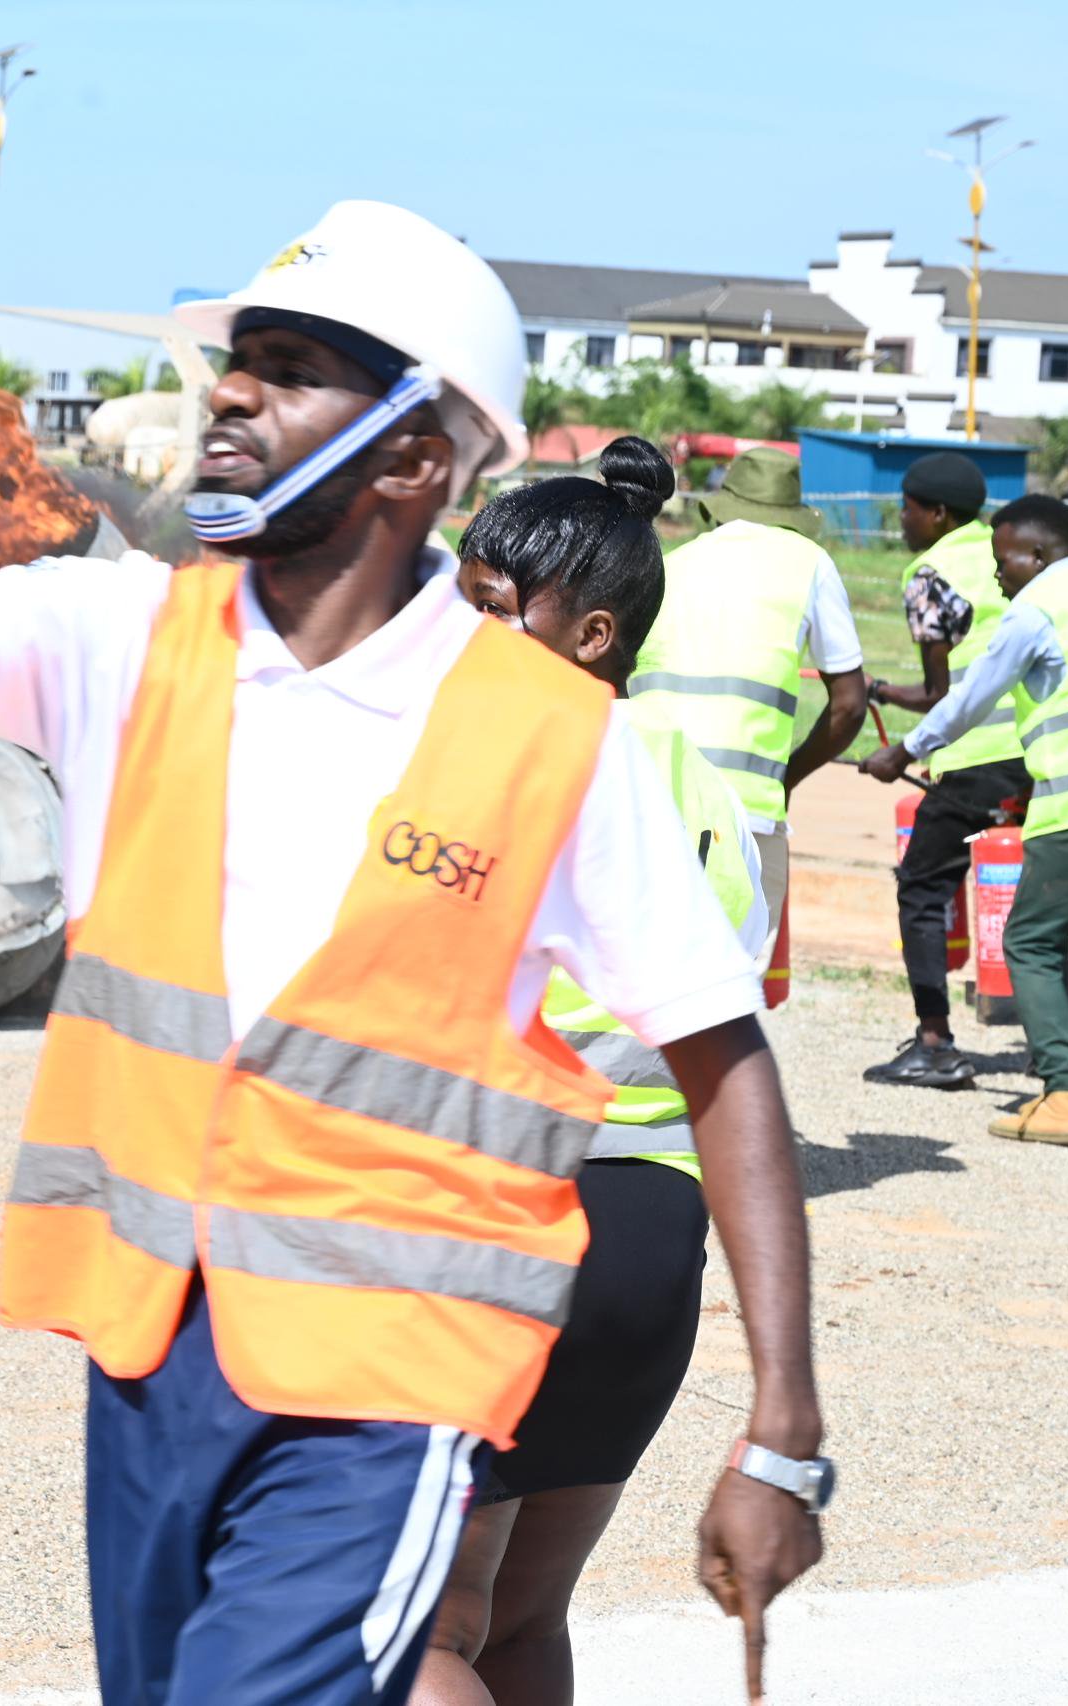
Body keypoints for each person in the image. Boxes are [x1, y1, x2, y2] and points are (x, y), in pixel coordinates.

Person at [0, 201, 826, 1706]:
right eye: (237, 360)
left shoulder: (556, 739)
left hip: (390, 1372)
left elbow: (719, 1056)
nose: (232, 391)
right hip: (155, 1347)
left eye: (295, 368)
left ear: (419, 456)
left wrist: (780, 1431)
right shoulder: (122, 636)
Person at [415, 437, 769, 1706]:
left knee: (420, 1637)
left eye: (490, 607)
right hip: (649, 1239)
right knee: (520, 1624)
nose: (454, 632)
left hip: (511, 1210)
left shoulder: (489, 767)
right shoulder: (708, 793)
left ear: (592, 631)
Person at [864, 494, 1068, 1146]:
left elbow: (968, 700)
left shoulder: (1034, 609)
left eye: (1004, 558)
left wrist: (901, 752)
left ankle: (1062, 1098)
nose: (997, 573)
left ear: (1038, 554)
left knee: (1032, 940)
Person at [629, 447, 869, 921]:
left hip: (649, 798)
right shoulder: (811, 564)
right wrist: (786, 780)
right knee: (733, 980)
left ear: (723, 505)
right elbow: (849, 706)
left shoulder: (673, 562)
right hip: (746, 813)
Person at [863, 452, 1032, 1090]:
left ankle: (935, 1041)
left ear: (936, 514)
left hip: (975, 758)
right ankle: (1050, 1046)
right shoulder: (1008, 554)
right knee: (1040, 900)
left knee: (923, 887)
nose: (902, 519)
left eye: (908, 507)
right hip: (1038, 755)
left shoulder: (931, 573)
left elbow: (940, 694)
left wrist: (896, 743)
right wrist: (884, 689)